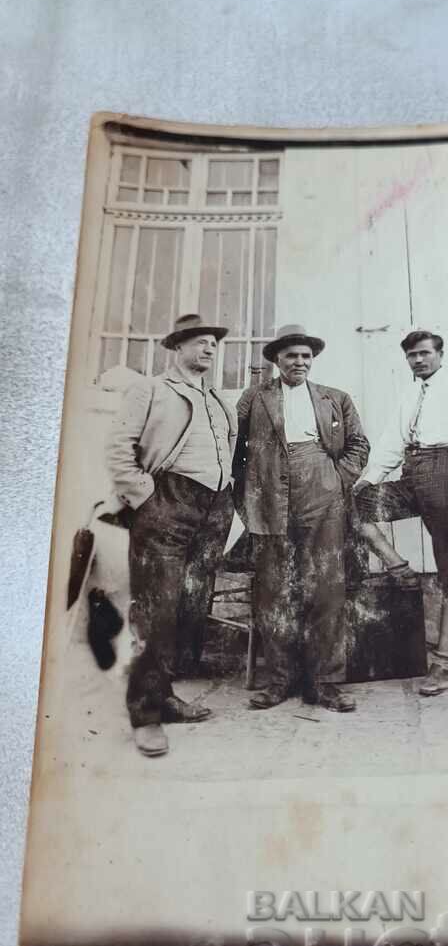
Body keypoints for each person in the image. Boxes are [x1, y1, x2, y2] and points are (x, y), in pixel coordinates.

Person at [106, 313, 237, 757]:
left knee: (189, 605)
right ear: (177, 347)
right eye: (199, 342)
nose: (208, 349)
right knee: (157, 608)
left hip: (215, 507)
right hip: (168, 503)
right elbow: (119, 449)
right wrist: (147, 497)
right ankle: (145, 714)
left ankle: (166, 695)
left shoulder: (217, 397)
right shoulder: (151, 388)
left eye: (213, 344)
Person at [233, 324, 369, 712]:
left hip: (321, 492)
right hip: (269, 495)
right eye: (292, 355)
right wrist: (248, 499)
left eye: (306, 356)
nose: (299, 362)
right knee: (274, 589)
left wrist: (336, 480)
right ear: (277, 359)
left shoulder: (335, 398)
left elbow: (359, 444)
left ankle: (325, 682)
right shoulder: (255, 397)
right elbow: (236, 450)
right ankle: (279, 680)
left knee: (326, 586)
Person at [352, 329, 448, 697]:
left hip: (447, 476)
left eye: (425, 353)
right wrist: (368, 479)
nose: (419, 360)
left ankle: (443, 663)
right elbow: (393, 440)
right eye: (412, 356)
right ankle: (399, 568)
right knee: (353, 506)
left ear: (440, 353)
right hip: (413, 474)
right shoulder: (411, 393)